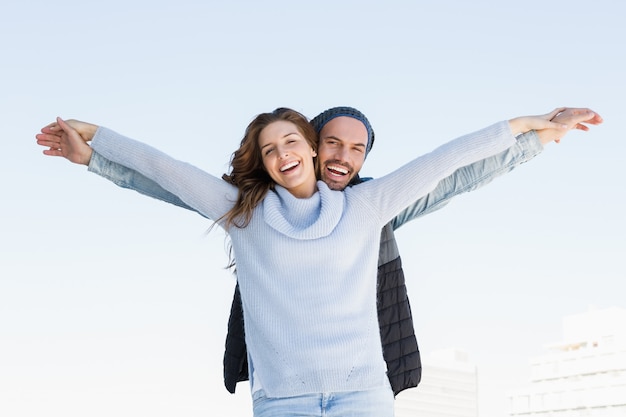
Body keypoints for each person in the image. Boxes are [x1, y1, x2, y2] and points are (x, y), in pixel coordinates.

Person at [36, 107, 599, 416]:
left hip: (362, 394)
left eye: (357, 149)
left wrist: (527, 130)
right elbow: (168, 173)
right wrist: (95, 145)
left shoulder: (369, 204)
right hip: (283, 398)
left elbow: (446, 166)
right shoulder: (244, 210)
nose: (289, 154)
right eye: (272, 148)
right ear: (311, 146)